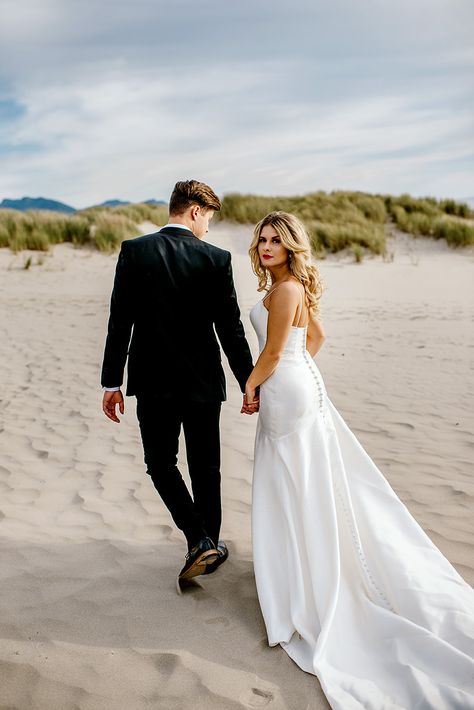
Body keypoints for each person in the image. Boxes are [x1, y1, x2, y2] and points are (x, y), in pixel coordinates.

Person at [242, 211, 474, 709]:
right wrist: (293, 373)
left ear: (290, 246)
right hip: (300, 387)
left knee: (290, 483)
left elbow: (275, 352)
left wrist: (251, 384)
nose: (265, 246)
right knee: (304, 480)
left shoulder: (284, 292)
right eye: (261, 239)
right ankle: (308, 563)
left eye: (274, 240)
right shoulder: (293, 287)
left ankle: (305, 579)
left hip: (285, 390)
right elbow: (315, 341)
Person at [101, 179, 254, 581]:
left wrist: (111, 383)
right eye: (208, 220)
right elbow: (231, 330)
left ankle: (197, 538)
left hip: (152, 384)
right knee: (207, 468)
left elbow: (120, 323)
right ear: (195, 211)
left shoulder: (134, 252)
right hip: (203, 384)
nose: (208, 229)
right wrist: (248, 381)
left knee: (160, 464)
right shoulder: (216, 259)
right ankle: (210, 544)